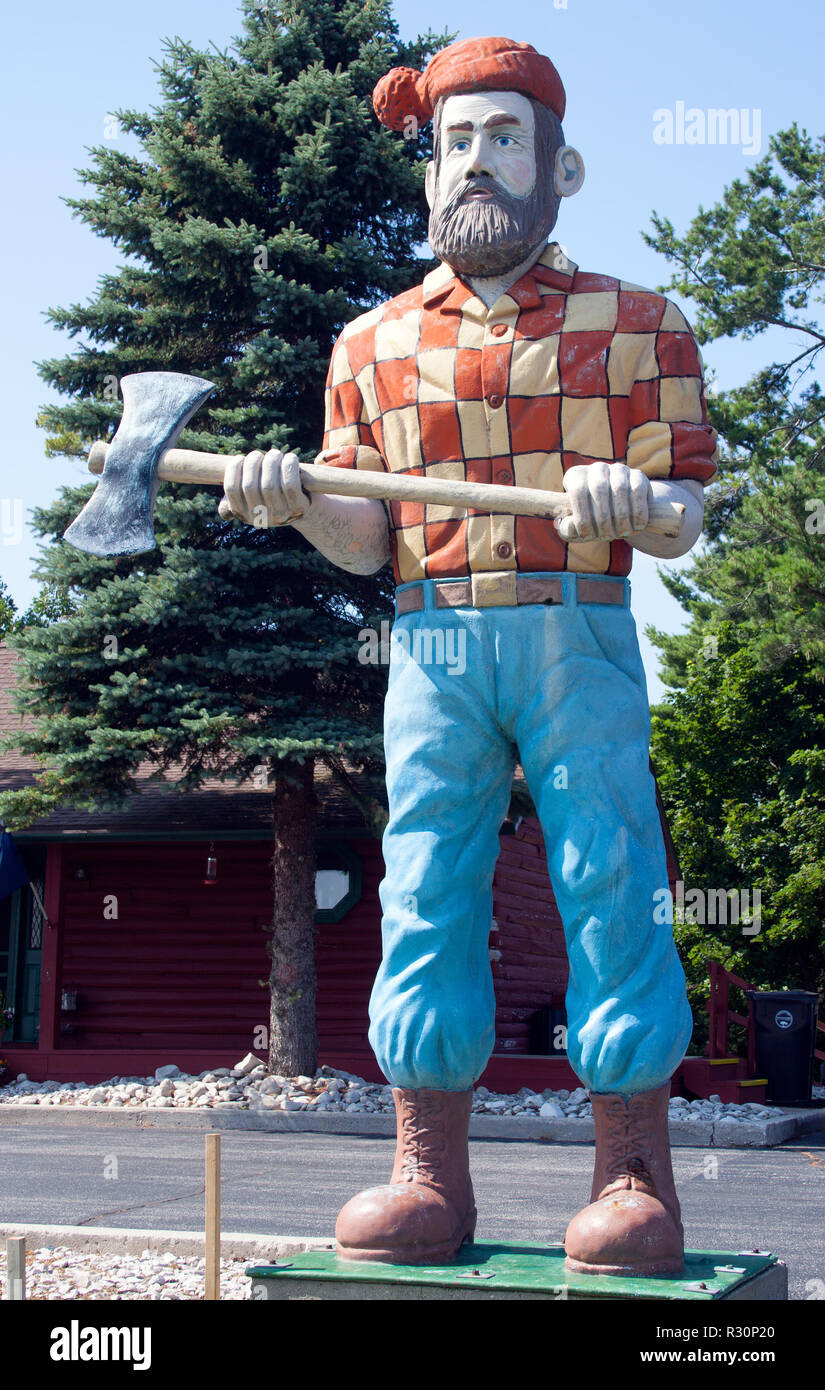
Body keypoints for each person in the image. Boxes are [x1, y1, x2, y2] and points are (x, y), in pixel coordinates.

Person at [221, 36, 717, 1275]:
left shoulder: (640, 324)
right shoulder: (370, 344)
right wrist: (298, 502)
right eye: (455, 142)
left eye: (504, 137)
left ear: (563, 165)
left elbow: (686, 513)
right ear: (429, 169)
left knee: (609, 876)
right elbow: (365, 535)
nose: (477, 162)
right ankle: (426, 1176)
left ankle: (635, 1179)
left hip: (577, 628)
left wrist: (636, 502)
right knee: (425, 884)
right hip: (432, 634)